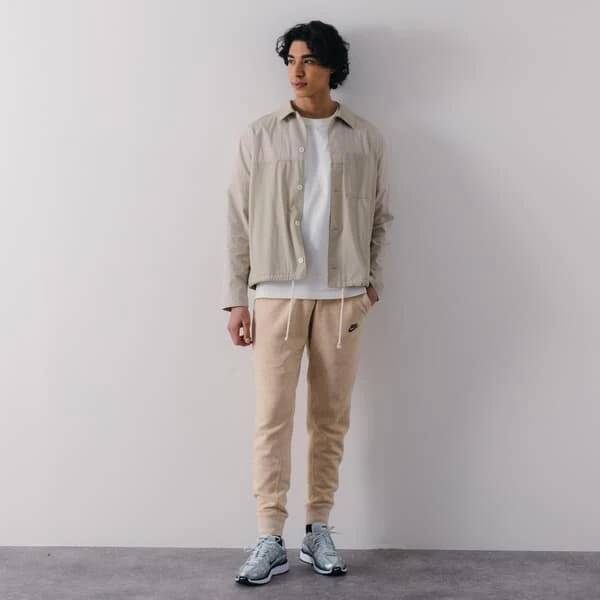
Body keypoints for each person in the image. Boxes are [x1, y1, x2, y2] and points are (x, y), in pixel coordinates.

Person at [222, 20, 393, 586]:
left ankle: (318, 528)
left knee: (330, 419)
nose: (296, 70)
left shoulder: (365, 137)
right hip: (277, 294)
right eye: (291, 60)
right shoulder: (260, 135)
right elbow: (238, 221)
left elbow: (381, 217)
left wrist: (372, 283)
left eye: (309, 60)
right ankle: (270, 536)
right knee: (272, 417)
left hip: (344, 298)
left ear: (331, 67)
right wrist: (236, 299)